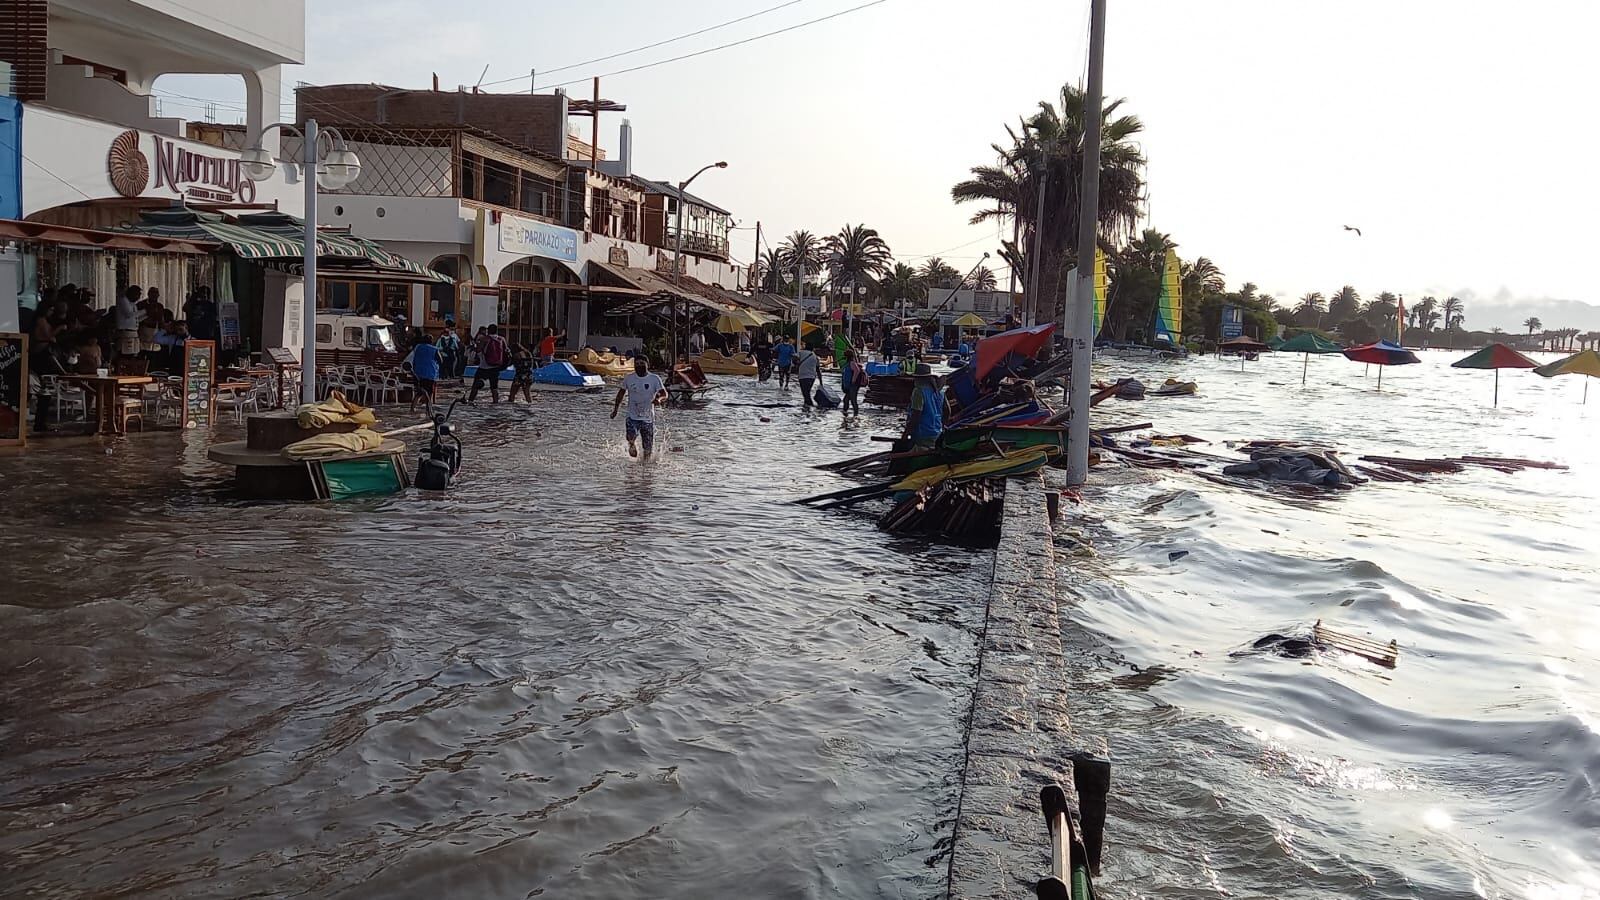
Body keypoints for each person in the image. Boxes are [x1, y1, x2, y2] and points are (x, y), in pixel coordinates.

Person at [611, 355, 667, 459]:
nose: (639, 366)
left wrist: (659, 399)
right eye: (636, 364)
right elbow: (620, 394)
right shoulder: (629, 378)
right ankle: (632, 445)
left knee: (648, 449)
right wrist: (615, 410)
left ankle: (645, 470)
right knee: (630, 437)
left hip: (648, 418)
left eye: (642, 364)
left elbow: (664, 393)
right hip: (632, 416)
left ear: (647, 365)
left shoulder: (654, 379)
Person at [902, 364, 946, 449]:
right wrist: (942, 426)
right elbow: (947, 410)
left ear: (918, 378)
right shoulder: (939, 392)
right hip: (937, 433)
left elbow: (916, 416)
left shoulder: (918, 391)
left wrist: (905, 435)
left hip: (922, 435)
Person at [467, 323, 510, 403]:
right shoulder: (502, 339)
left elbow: (478, 350)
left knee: (475, 386)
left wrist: (474, 347)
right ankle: (495, 404)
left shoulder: (484, 339)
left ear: (488, 331)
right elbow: (506, 351)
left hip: (484, 367)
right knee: (494, 387)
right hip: (496, 368)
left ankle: (470, 401)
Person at [408, 332, 440, 414]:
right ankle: (428, 409)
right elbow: (440, 360)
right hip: (430, 373)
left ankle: (412, 408)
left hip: (418, 372)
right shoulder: (434, 349)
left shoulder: (418, 347)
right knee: (429, 392)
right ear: (431, 341)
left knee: (419, 392)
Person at [114, 285, 142, 359]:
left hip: (134, 333)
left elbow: (136, 318)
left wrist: (147, 315)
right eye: (137, 294)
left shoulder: (133, 304)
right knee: (125, 356)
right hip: (125, 333)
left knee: (133, 356)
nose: (138, 298)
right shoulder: (123, 300)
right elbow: (128, 314)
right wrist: (145, 311)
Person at [840, 348, 868, 416]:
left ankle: (855, 414)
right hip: (850, 385)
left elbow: (857, 371)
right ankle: (845, 413)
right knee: (846, 400)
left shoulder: (852, 363)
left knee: (853, 400)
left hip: (853, 385)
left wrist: (853, 380)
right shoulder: (848, 363)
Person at [794, 341, 820, 407]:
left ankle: (810, 406)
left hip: (802, 376)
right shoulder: (815, 356)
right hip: (812, 377)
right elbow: (818, 370)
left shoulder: (801, 353)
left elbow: (794, 357)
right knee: (807, 392)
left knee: (805, 393)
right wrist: (821, 381)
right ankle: (806, 409)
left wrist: (797, 363)